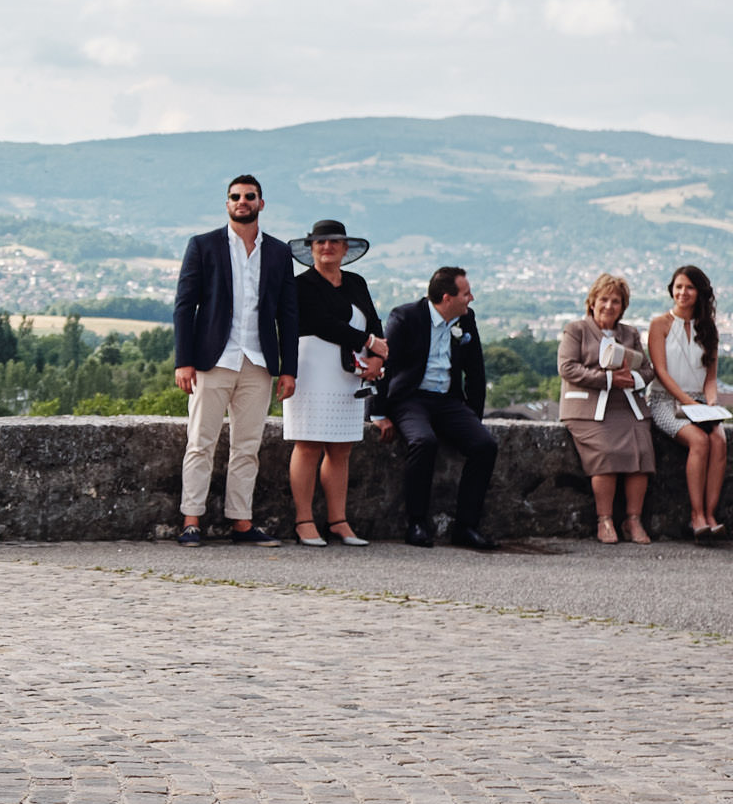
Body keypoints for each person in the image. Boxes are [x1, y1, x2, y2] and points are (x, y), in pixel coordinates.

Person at [171, 174, 299, 547]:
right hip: (212, 360)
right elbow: (184, 305)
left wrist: (288, 369)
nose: (242, 201)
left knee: (247, 446)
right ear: (227, 203)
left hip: (258, 363)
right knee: (200, 442)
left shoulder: (277, 252)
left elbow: (288, 315)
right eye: (235, 197)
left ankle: (241, 523)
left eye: (249, 196)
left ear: (261, 203)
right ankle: (191, 521)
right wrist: (184, 360)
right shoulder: (203, 246)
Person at [377, 266, 497, 549]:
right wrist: (378, 412)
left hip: (447, 400)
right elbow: (384, 365)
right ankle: (417, 523)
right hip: (410, 398)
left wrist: (473, 418)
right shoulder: (405, 317)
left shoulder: (465, 321)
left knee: (484, 445)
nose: (471, 298)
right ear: (447, 298)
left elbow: (475, 371)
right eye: (466, 294)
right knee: (423, 441)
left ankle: (466, 526)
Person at [284, 219, 387, 546]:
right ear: (311, 248)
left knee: (341, 448)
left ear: (345, 249)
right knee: (308, 444)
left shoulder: (357, 282)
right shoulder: (301, 286)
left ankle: (338, 521)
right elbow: (321, 323)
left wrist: (377, 357)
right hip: (313, 369)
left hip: (348, 372)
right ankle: (303, 522)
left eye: (333, 242)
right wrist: (369, 341)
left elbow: (375, 321)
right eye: (320, 243)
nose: (327, 248)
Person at [557, 274, 655, 544]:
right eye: (604, 299)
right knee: (608, 452)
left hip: (625, 406)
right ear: (592, 302)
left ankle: (633, 520)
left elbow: (647, 370)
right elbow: (567, 368)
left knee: (642, 450)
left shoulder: (630, 333)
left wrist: (631, 379)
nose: (609, 306)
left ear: (623, 306)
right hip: (587, 408)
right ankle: (605, 520)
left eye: (616, 301)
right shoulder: (575, 330)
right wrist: (609, 379)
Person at [647, 264, 725, 538]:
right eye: (678, 287)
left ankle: (711, 513)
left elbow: (711, 379)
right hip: (665, 401)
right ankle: (696, 515)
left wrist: (710, 404)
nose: (683, 292)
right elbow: (661, 372)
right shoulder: (659, 325)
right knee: (700, 441)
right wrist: (688, 404)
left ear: (699, 292)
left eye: (689, 287)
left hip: (699, 403)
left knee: (719, 440)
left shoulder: (710, 329)